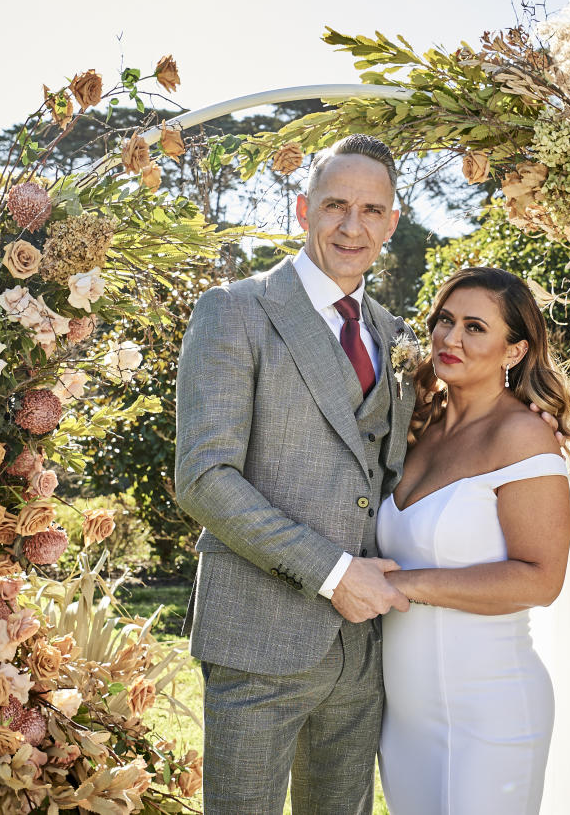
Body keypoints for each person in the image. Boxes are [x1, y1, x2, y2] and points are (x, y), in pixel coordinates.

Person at [174, 134, 417, 814]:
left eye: (372, 210)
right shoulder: (236, 310)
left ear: (391, 222)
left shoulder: (395, 334)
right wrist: (335, 572)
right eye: (336, 204)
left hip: (365, 650)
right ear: (305, 207)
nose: (352, 225)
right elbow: (204, 476)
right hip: (258, 635)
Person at [377, 267, 570, 815]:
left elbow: (540, 577)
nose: (450, 338)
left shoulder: (523, 435)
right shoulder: (417, 427)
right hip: (405, 719)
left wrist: (402, 584)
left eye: (475, 327)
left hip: (492, 710)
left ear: (514, 351)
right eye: (444, 320)